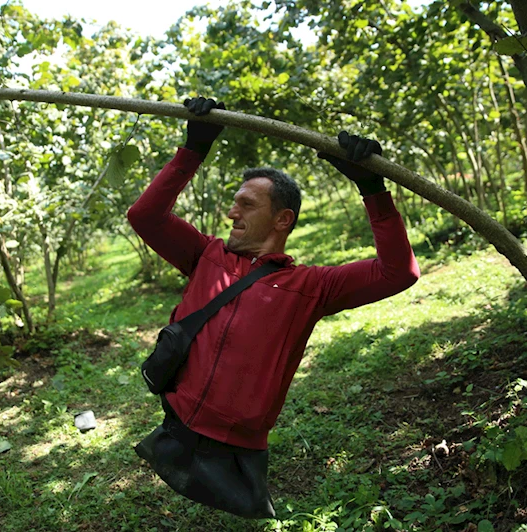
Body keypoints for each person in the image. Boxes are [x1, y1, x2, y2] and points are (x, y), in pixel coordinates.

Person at [128, 96, 420, 519]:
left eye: (247, 204)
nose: (232, 212)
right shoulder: (205, 255)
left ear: (282, 220)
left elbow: (399, 272)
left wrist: (372, 189)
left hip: (237, 448)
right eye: (235, 202)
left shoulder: (312, 286)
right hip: (178, 424)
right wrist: (193, 149)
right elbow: (145, 217)